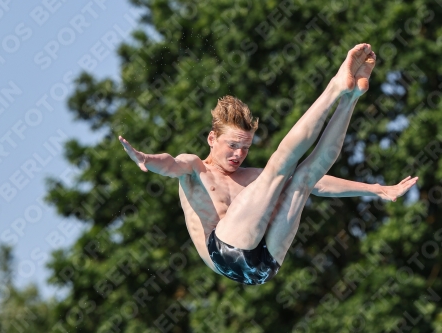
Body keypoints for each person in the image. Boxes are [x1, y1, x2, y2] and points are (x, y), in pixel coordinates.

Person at [118, 43, 418, 285]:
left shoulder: (250, 178)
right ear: (212, 138)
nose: (238, 154)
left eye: (245, 148)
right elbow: (170, 163)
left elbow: (320, 184)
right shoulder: (196, 168)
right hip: (226, 254)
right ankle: (335, 86)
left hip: (265, 266)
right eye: (232, 145)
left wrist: (378, 189)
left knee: (303, 179)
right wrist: (146, 159)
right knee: (279, 166)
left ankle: (350, 98)